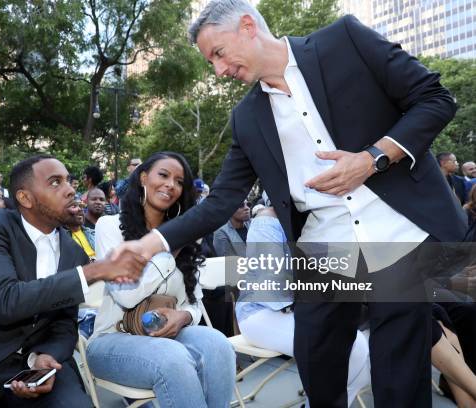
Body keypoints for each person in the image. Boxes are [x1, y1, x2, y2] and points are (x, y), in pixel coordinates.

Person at [112, 2, 466, 406]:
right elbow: (221, 201)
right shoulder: (246, 118)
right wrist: (150, 243)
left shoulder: (345, 40)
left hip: (399, 234)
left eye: (218, 54)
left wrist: (371, 159)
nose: (218, 70)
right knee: (320, 366)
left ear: (248, 26)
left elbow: (435, 98)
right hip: (324, 250)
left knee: (399, 377)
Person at [0, 155, 146, 408]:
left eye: (68, 181)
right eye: (55, 182)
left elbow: (64, 323)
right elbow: (5, 301)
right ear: (25, 198)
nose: (70, 190)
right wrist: (92, 272)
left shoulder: (74, 252)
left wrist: (46, 357)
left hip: (34, 367)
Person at [87, 152, 236, 408]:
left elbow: (193, 302)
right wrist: (167, 247)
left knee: (219, 344)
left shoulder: (187, 235)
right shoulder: (109, 226)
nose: (171, 185)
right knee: (173, 358)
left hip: (165, 336)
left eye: (179, 182)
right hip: (113, 338)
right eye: (164, 175)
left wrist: (184, 317)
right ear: (143, 177)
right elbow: (127, 295)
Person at [236, 205, 371, 406]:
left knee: (364, 350)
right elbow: (272, 288)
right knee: (353, 347)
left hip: (305, 309)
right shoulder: (266, 222)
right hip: (260, 313)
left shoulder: (321, 221)